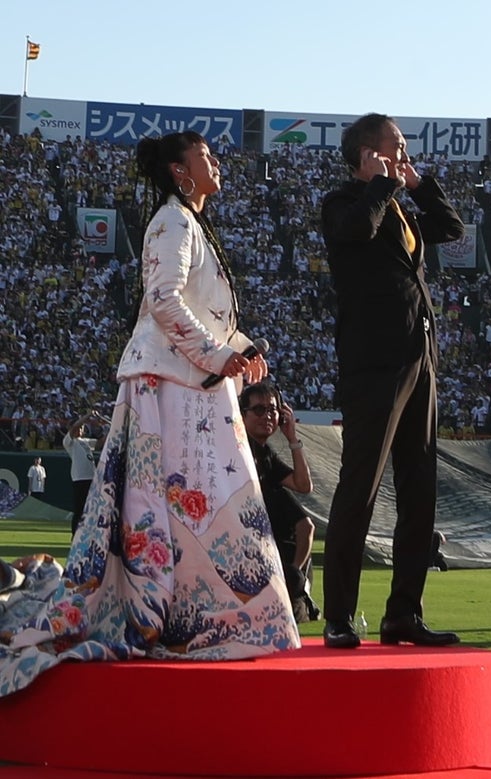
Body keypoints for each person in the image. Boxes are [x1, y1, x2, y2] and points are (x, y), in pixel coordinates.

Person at [0, 131, 296, 697]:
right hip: (173, 387)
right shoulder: (172, 221)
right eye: (204, 155)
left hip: (192, 385)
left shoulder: (188, 222)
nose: (215, 161)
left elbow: (195, 306)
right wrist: (218, 354)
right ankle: (202, 623)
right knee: (190, 505)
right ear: (179, 170)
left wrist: (241, 343)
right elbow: (162, 298)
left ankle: (210, 622)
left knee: (199, 507)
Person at [318, 113, 465, 650]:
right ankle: (338, 614)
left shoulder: (401, 206)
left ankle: (403, 613)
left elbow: (452, 228)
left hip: (419, 360)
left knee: (419, 491)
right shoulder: (342, 204)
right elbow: (358, 229)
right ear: (365, 152)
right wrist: (380, 182)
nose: (404, 154)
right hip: (374, 365)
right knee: (360, 489)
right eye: (395, 146)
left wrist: (415, 182)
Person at [240, 382, 319, 623]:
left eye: (273, 410)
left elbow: (304, 485)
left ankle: (294, 579)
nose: (268, 416)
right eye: (259, 410)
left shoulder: (266, 455)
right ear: (242, 415)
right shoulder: (237, 450)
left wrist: (292, 437)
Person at [62, 413, 105, 534]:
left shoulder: (85, 441)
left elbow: (100, 442)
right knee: (79, 509)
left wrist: (103, 429)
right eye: (79, 428)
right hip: (80, 478)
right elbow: (76, 426)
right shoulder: (69, 442)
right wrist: (87, 415)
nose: (81, 429)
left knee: (92, 508)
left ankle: (89, 532)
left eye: (82, 428)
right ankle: (75, 534)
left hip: (92, 478)